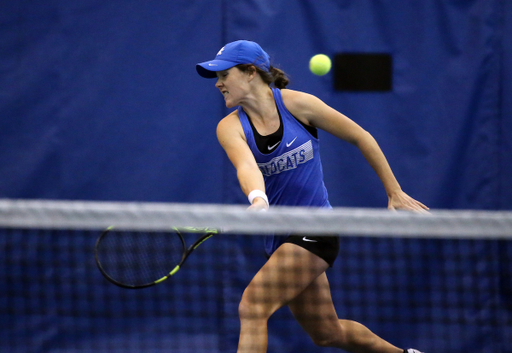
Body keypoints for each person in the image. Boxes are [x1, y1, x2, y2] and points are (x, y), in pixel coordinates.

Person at [196, 40, 428, 353]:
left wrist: (394, 191)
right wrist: (257, 199)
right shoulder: (229, 127)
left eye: (223, 74)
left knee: (252, 306)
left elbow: (361, 136)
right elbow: (246, 166)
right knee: (327, 334)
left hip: (316, 228)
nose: (218, 84)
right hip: (281, 237)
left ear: (250, 72)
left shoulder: (299, 105)